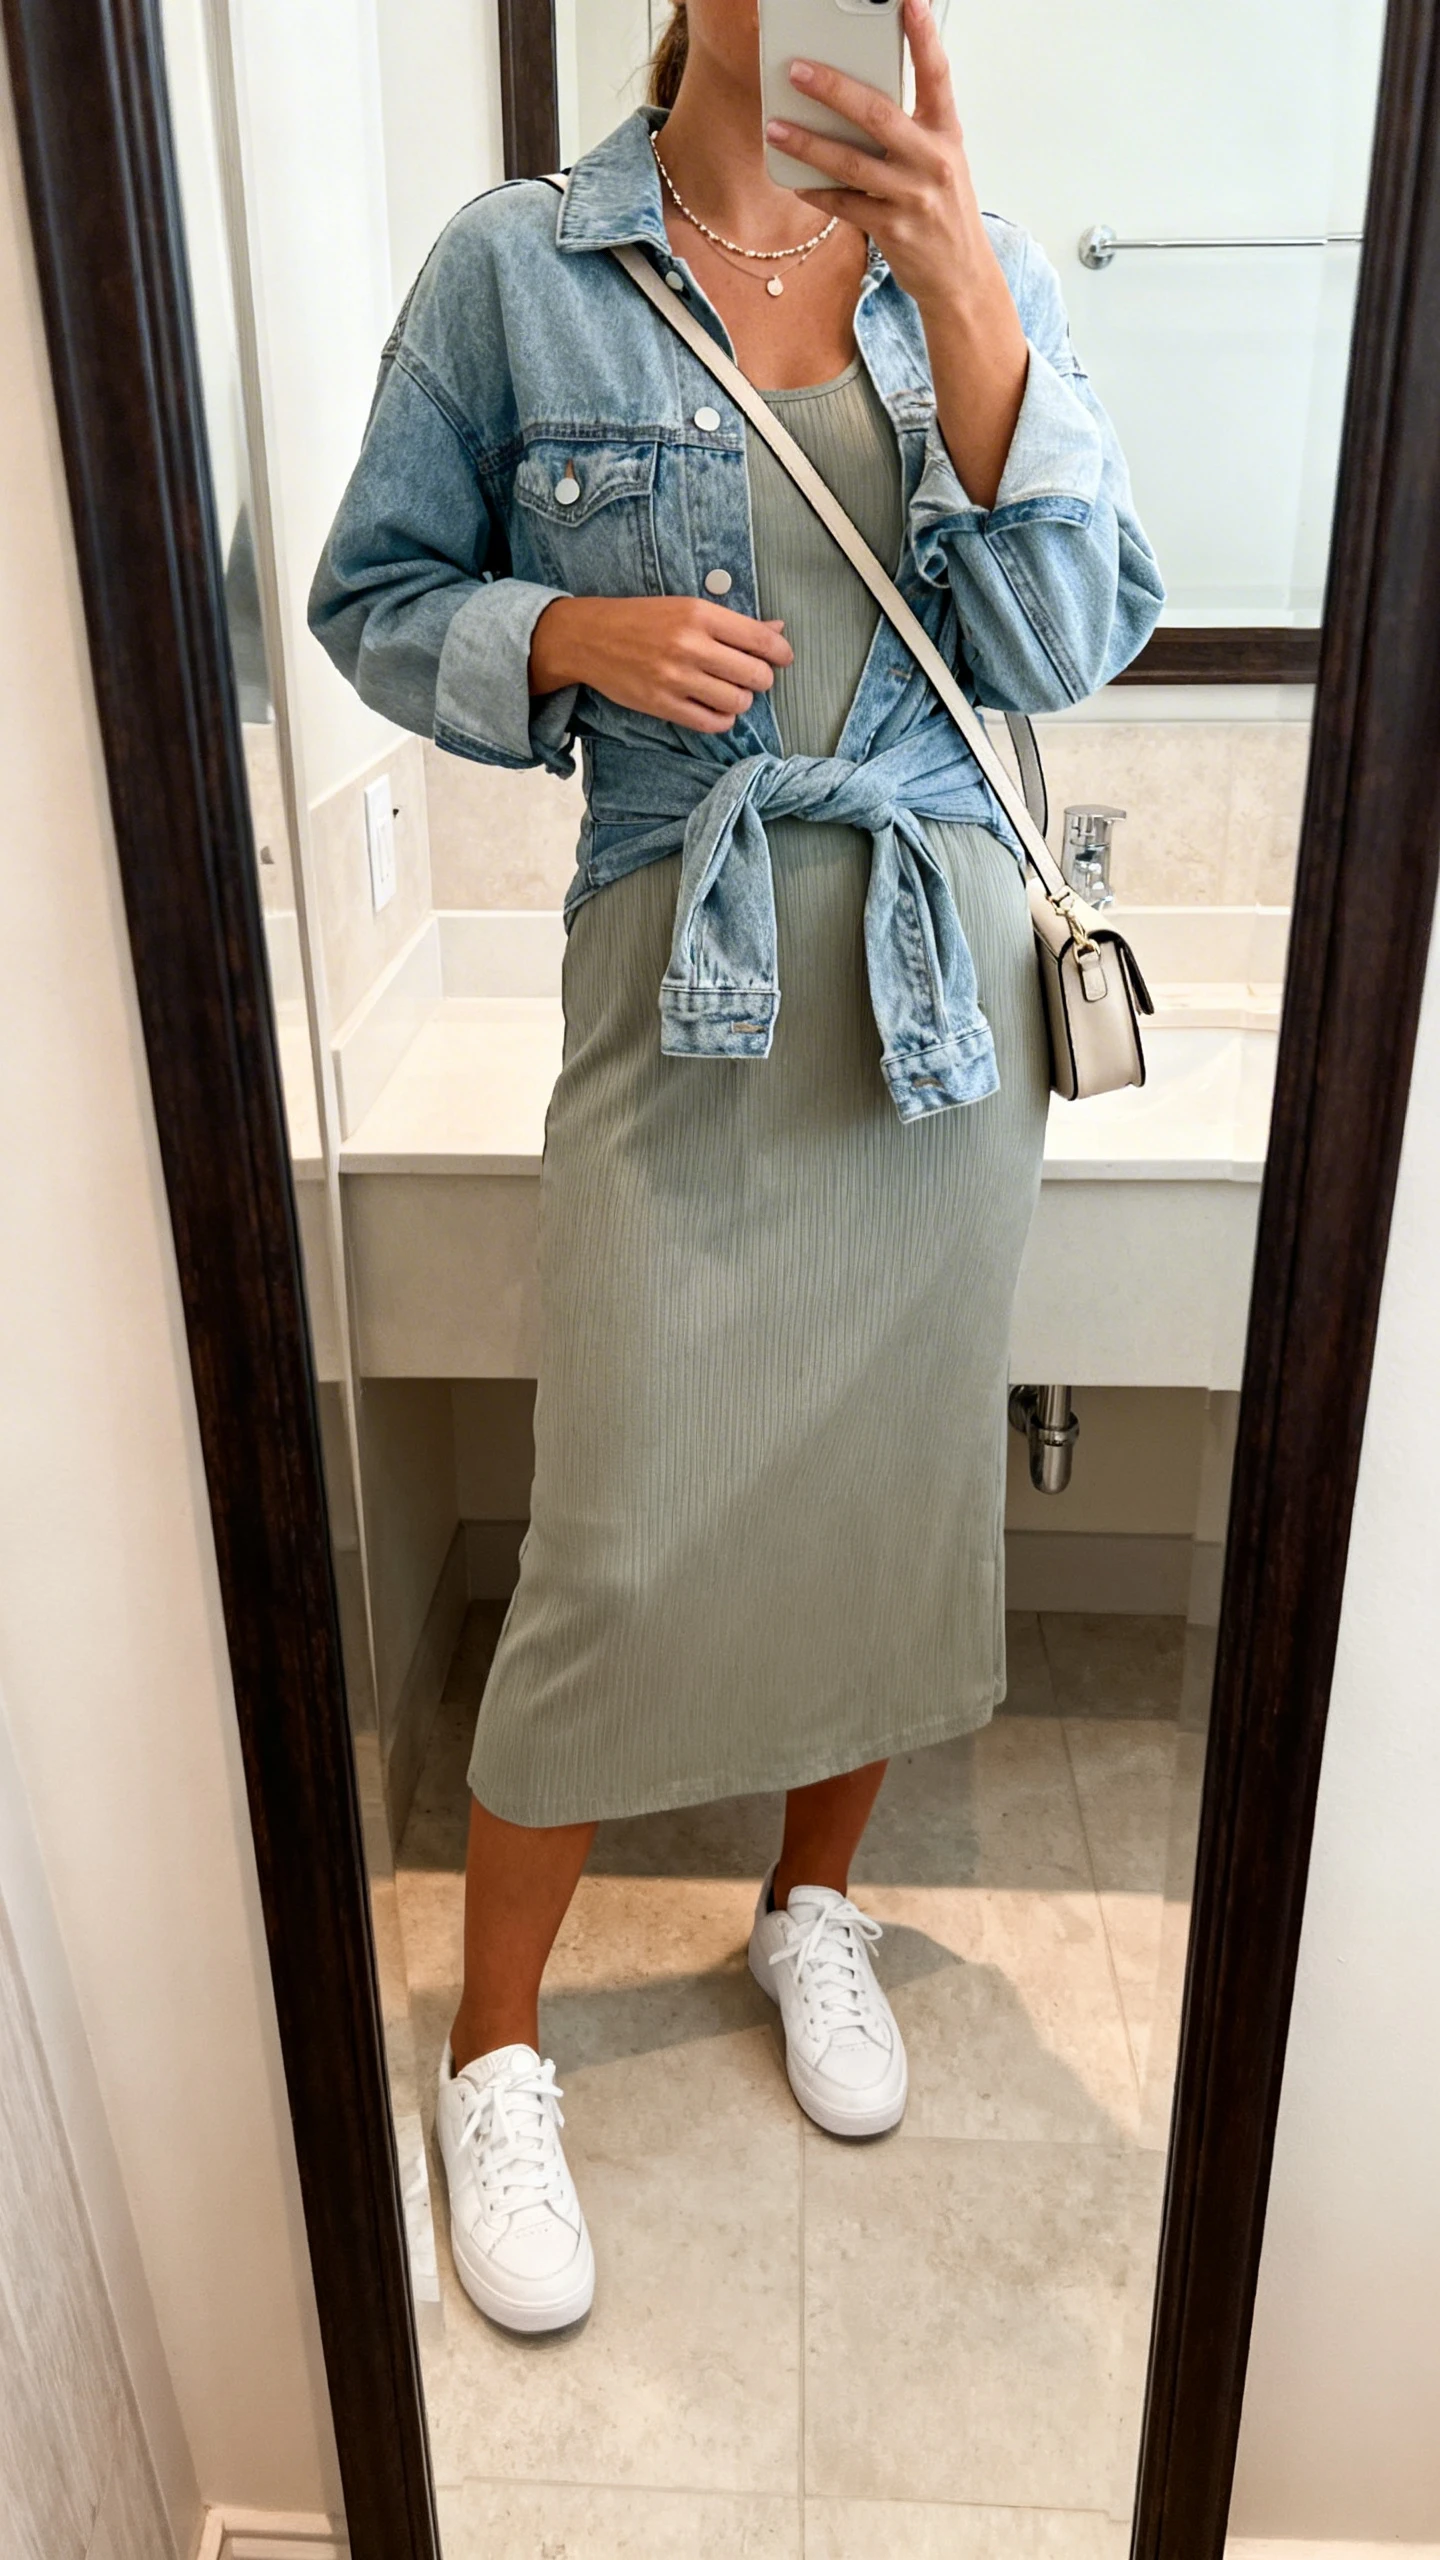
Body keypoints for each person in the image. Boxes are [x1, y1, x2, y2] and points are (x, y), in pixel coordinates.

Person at [310, 0, 1163, 2335]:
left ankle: (813, 1907)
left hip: (931, 997)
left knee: (880, 1486)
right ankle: (497, 2044)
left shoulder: (978, 267)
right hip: (672, 975)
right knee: (612, 1531)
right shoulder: (517, 268)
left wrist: (968, 299)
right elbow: (371, 597)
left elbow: (1063, 640)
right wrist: (563, 632)